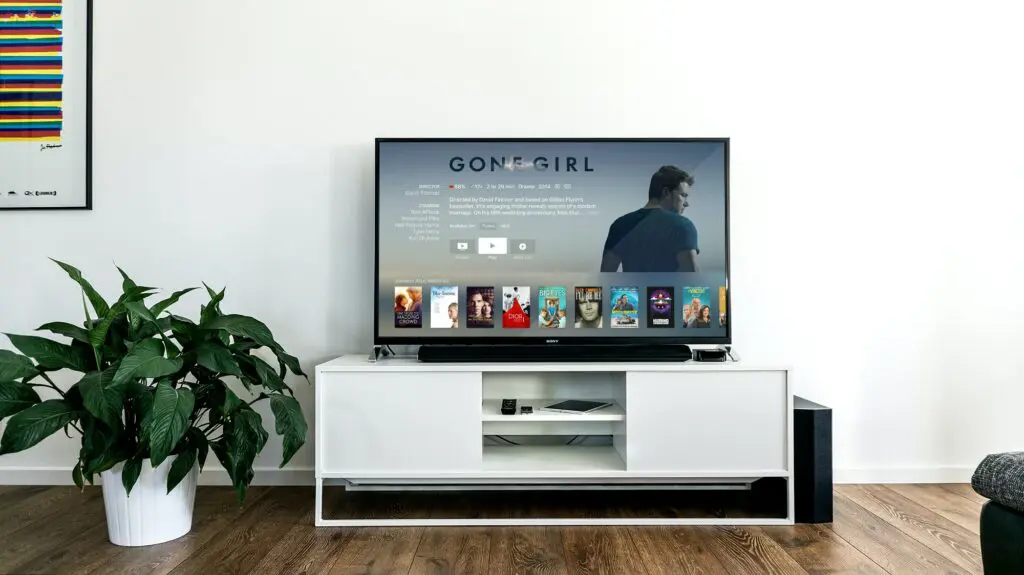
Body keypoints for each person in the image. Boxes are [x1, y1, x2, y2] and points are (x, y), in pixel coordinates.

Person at [600, 165, 699, 272]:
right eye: (683, 195)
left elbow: (606, 276)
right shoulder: (683, 226)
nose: (686, 203)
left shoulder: (619, 225)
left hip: (634, 289)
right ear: (666, 192)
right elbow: (693, 279)